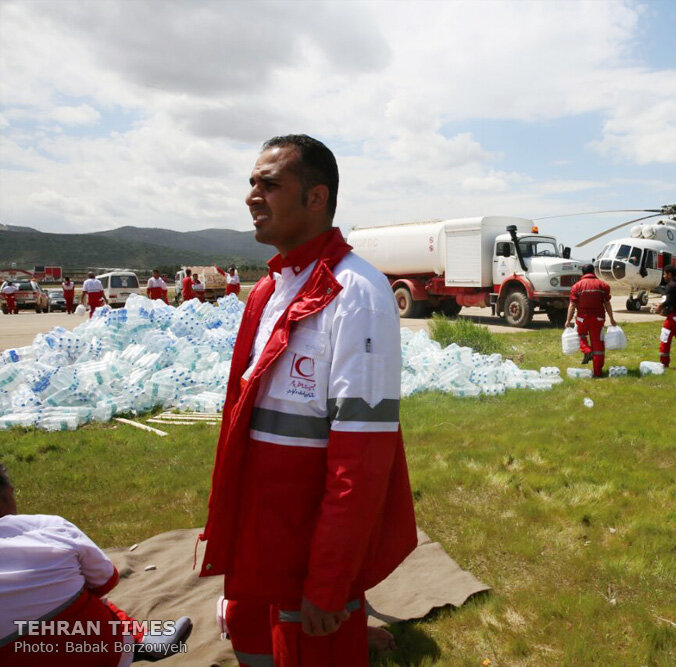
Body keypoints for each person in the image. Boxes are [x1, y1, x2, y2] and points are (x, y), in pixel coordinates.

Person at [200, 134, 417, 667]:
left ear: (316, 198)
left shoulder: (357, 293)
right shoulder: (271, 289)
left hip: (306, 553)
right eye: (252, 182)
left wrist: (329, 580)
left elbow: (361, 462)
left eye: (270, 184)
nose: (252, 196)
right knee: (254, 647)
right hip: (259, 538)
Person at [0, 463, 193, 666]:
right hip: (101, 652)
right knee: (83, 589)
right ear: (9, 491)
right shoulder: (49, 526)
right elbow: (106, 581)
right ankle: (142, 639)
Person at [565, 263, 617, 378]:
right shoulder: (603, 285)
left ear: (582, 273)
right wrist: (612, 318)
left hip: (582, 319)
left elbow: (572, 305)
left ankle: (587, 350)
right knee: (598, 345)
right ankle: (598, 373)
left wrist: (568, 320)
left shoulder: (576, 286)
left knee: (580, 335)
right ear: (593, 272)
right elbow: (607, 304)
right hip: (598, 319)